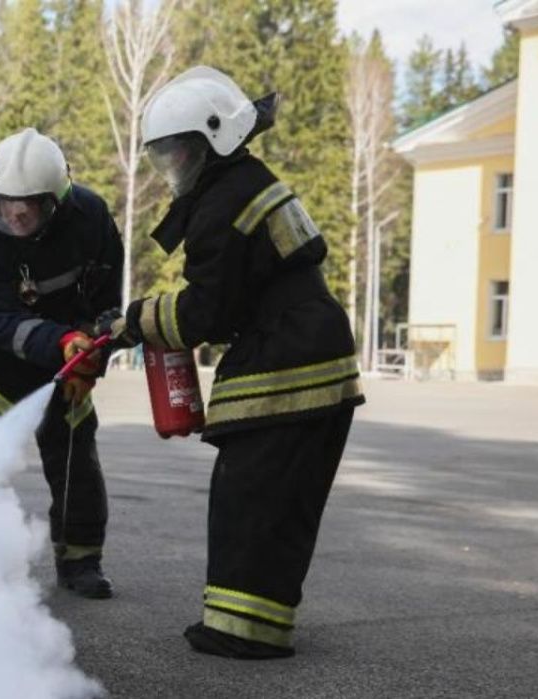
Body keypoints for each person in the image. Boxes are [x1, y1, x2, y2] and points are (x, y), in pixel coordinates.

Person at [98, 66, 364, 657]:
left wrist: (136, 321)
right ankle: (254, 625)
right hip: (311, 351)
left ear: (214, 139)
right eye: (163, 155)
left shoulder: (225, 201)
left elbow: (207, 315)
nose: (173, 167)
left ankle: (242, 635)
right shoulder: (244, 183)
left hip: (288, 362)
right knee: (276, 502)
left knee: (253, 497)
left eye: (179, 152)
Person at [0, 128, 123, 599]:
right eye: (2, 203)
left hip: (66, 349)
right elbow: (0, 321)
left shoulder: (92, 218)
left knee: (75, 447)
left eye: (27, 206)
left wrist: (90, 359)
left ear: (55, 202)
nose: (13, 214)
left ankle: (81, 560)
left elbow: (107, 304)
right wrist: (62, 342)